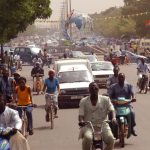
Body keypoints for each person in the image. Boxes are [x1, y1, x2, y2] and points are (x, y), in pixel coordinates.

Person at [78, 82, 116, 150]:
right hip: (89, 126)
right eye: (92, 89)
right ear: (89, 90)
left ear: (98, 89)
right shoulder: (83, 101)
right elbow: (81, 115)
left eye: (95, 88)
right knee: (88, 138)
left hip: (103, 126)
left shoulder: (105, 99)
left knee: (111, 139)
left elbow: (111, 109)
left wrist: (113, 118)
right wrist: (81, 121)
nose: (94, 90)